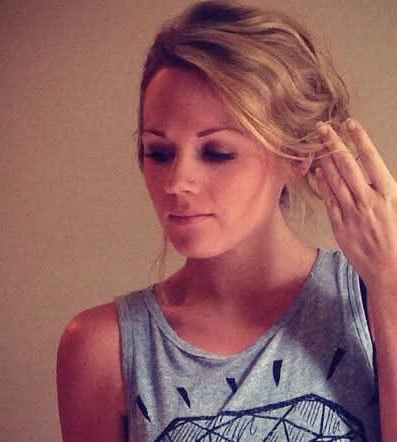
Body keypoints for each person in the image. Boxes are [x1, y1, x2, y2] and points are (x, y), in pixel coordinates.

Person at [56, 1, 396, 441]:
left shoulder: (368, 297)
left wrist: (390, 285)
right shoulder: (104, 347)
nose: (177, 181)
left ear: (298, 156)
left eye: (217, 153)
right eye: (159, 152)